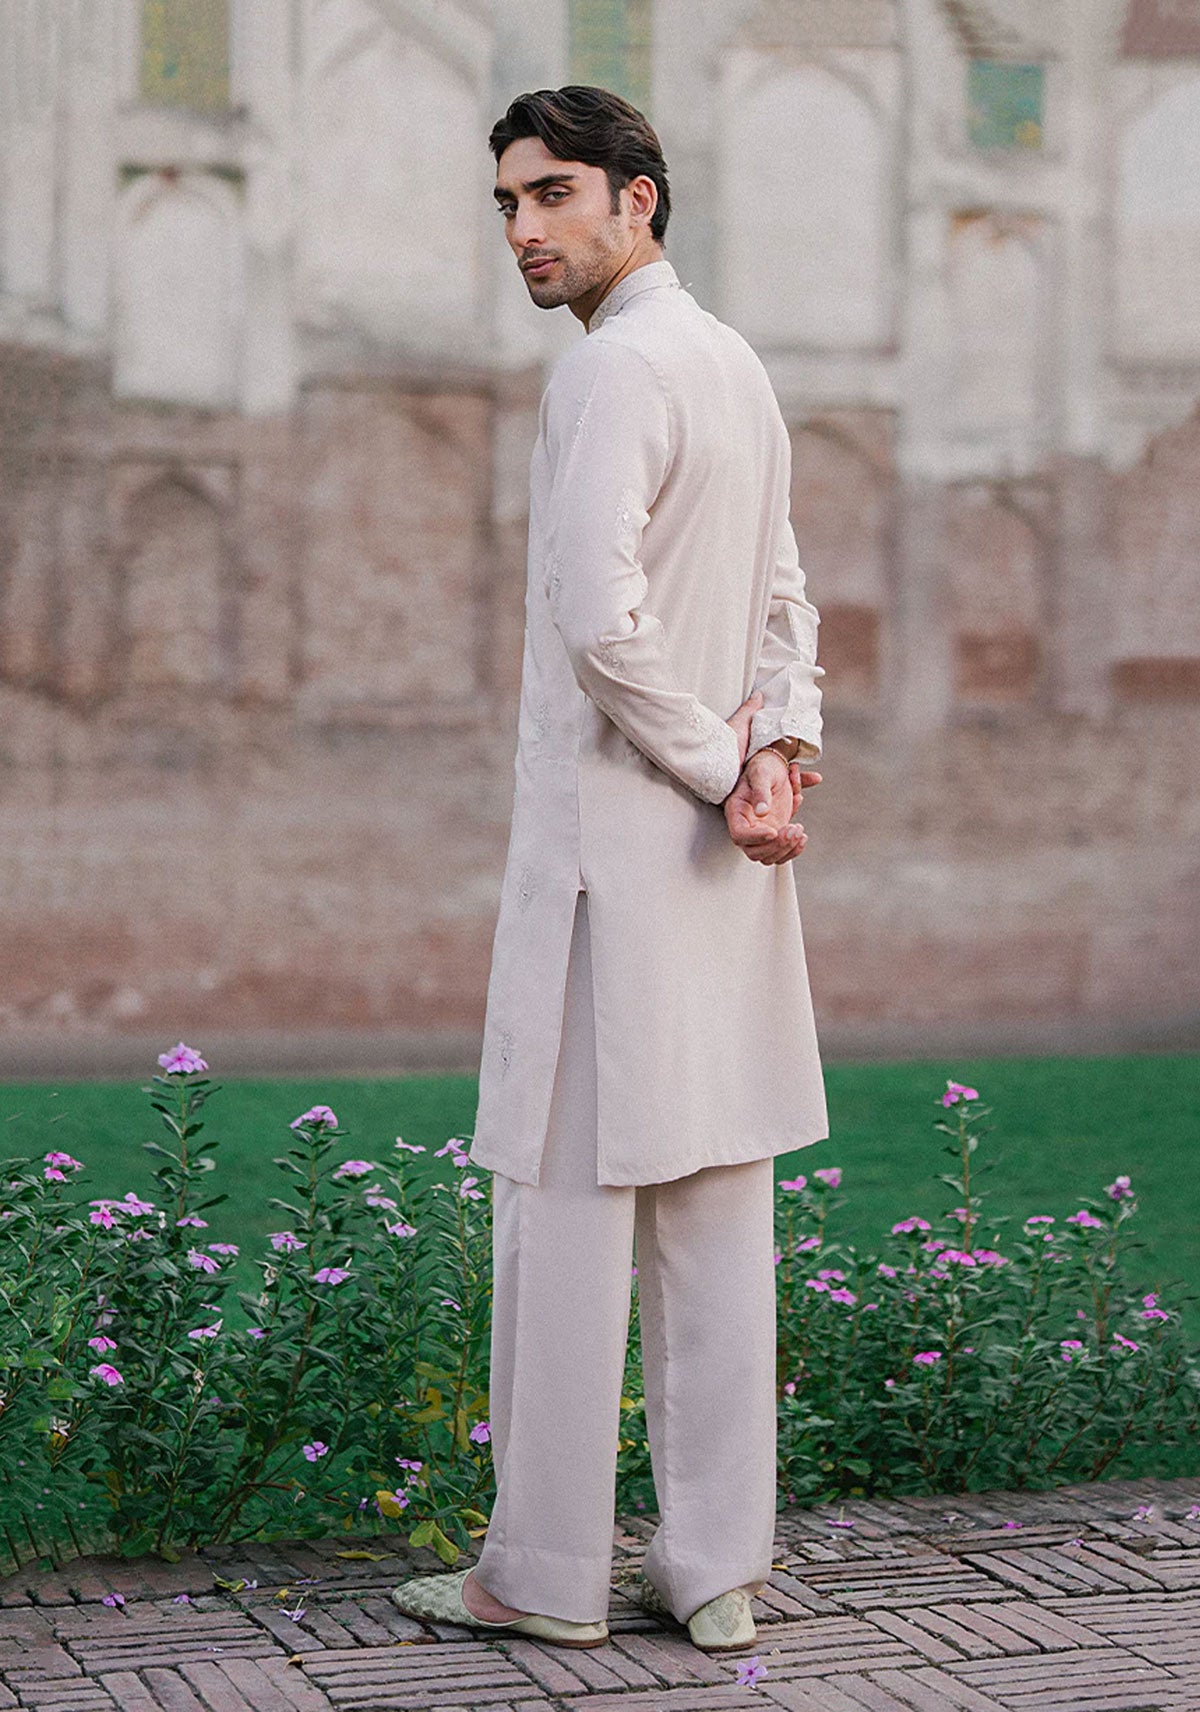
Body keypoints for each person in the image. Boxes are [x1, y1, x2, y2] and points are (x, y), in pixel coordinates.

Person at [392, 85, 827, 1654]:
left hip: (613, 860)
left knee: (564, 1219)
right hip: (727, 866)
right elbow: (786, 606)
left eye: (553, 195)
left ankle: (542, 1575)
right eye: (508, 204)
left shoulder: (611, 370)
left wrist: (724, 765)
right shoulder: (733, 363)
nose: (525, 230)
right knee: (715, 1211)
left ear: (638, 198)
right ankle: (713, 1568)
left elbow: (599, 620)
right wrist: (778, 753)